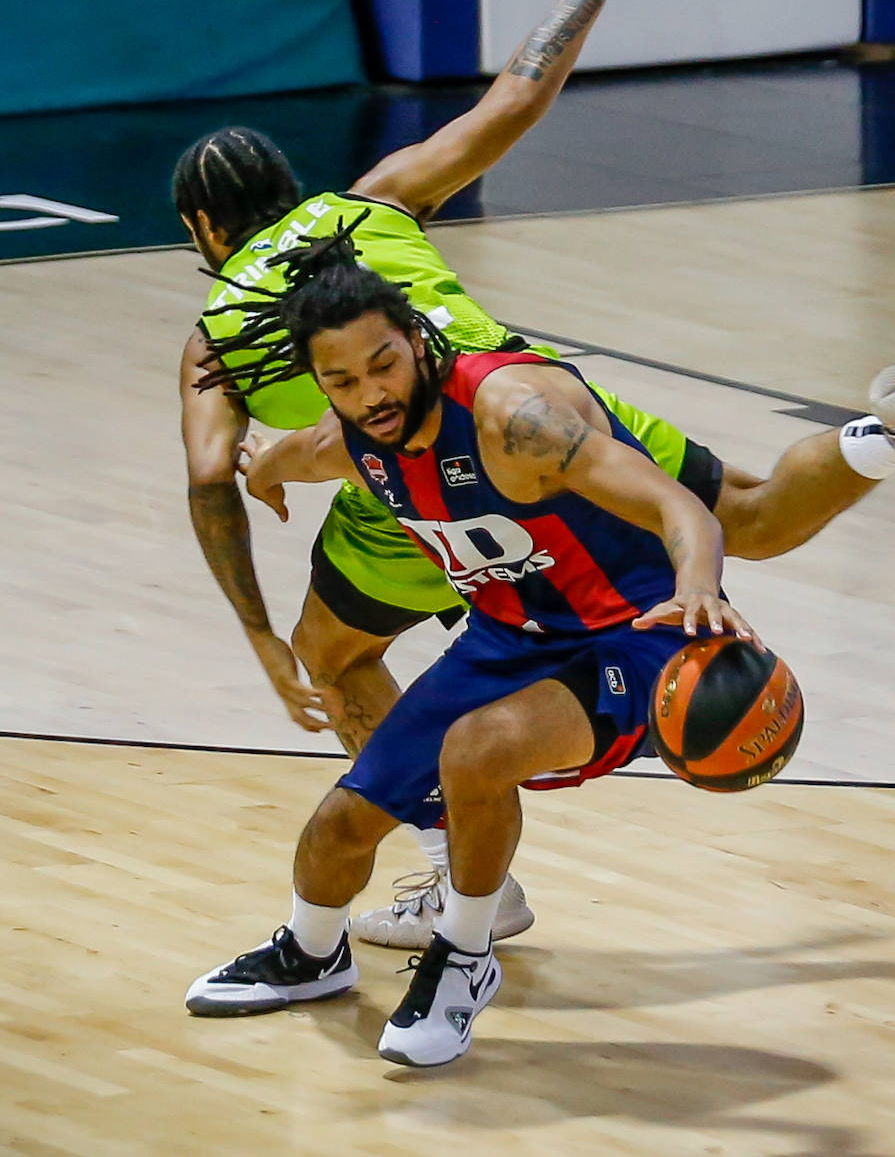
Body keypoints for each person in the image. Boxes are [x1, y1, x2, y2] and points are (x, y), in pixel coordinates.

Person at [176, 0, 895, 951]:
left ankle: (456, 881)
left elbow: (211, 482)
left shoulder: (213, 334)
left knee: (332, 654)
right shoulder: (375, 198)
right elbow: (515, 99)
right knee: (752, 518)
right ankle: (876, 441)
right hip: (534, 411)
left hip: (405, 504)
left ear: (203, 230)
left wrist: (260, 618)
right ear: (289, 186)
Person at [185, 232, 762, 1066]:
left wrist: (699, 586)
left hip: (633, 635)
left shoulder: (512, 421)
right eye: (342, 381)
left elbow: (682, 508)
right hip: (506, 639)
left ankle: (463, 957)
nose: (370, 394)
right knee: (338, 829)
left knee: (477, 750)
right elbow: (293, 455)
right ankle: (312, 954)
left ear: (418, 343)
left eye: (383, 365)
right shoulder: (355, 439)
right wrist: (263, 471)